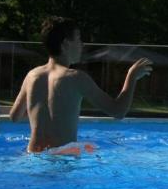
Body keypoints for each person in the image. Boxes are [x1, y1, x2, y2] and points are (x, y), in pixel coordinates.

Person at [9, 16, 153, 154]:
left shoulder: (32, 75)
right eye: (78, 39)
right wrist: (131, 76)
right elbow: (118, 111)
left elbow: (15, 116)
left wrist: (41, 113)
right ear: (66, 44)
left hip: (32, 155)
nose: (82, 45)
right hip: (62, 157)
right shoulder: (76, 78)